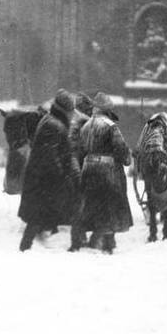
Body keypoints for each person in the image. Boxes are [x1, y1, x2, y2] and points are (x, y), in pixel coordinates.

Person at [18, 89, 80, 251]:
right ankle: (75, 244)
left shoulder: (52, 122)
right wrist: (63, 175)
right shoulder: (53, 125)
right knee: (43, 213)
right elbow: (50, 155)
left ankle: (27, 245)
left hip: (44, 179)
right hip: (46, 180)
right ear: (64, 110)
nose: (72, 115)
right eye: (71, 111)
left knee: (38, 215)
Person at [70, 92, 132, 254]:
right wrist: (127, 159)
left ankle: (90, 239)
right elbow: (121, 149)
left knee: (91, 204)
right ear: (107, 110)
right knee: (110, 205)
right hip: (107, 171)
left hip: (88, 169)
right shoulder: (111, 126)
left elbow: (80, 150)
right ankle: (105, 241)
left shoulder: (85, 126)